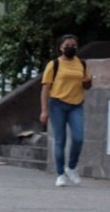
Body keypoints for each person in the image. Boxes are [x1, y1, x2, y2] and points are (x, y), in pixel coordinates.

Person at [40, 34, 93, 187]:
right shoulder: (54, 64)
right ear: (60, 47)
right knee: (60, 140)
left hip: (76, 105)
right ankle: (60, 174)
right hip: (57, 104)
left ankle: (71, 167)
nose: (71, 48)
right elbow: (45, 88)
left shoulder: (82, 64)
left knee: (78, 137)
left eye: (74, 45)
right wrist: (44, 110)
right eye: (67, 45)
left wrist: (87, 82)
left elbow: (87, 86)